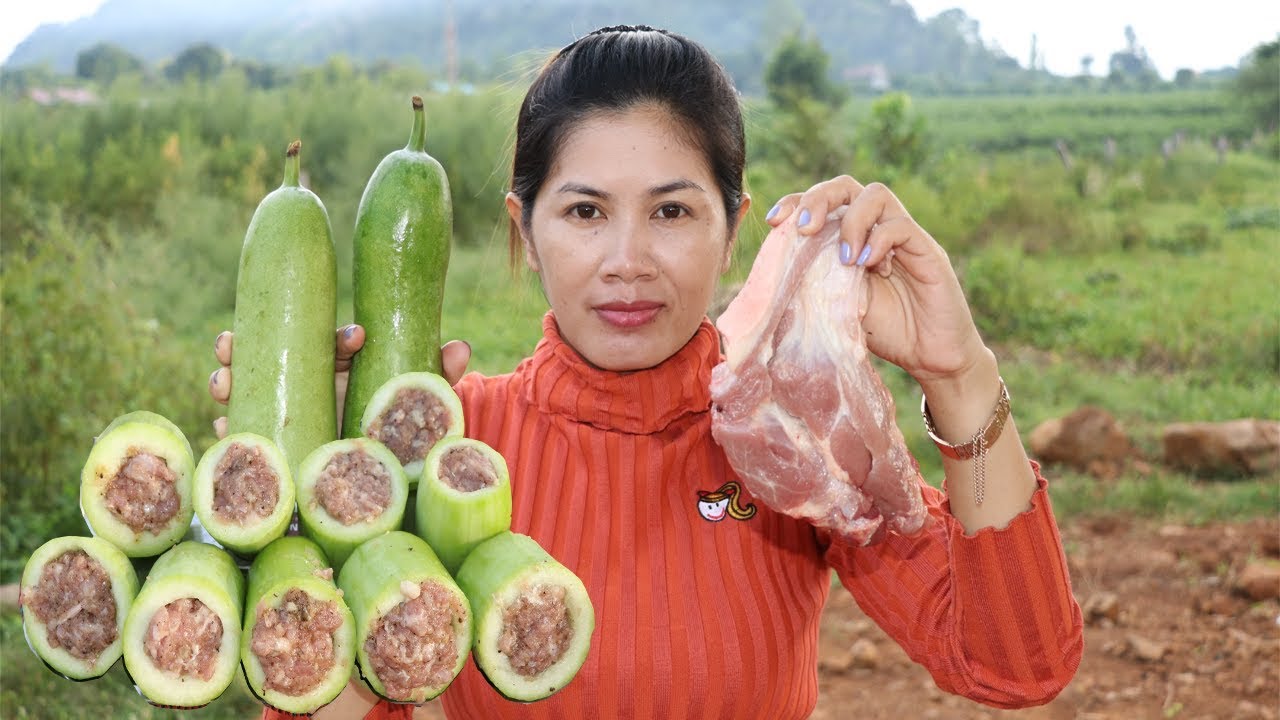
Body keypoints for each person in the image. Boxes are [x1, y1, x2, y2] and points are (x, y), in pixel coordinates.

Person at [210, 25, 1083, 720]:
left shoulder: (790, 437)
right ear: (524, 229)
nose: (628, 260)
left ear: (734, 226)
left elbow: (1018, 665)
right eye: (586, 211)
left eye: (671, 210)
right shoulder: (452, 443)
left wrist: (960, 371)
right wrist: (311, 508)